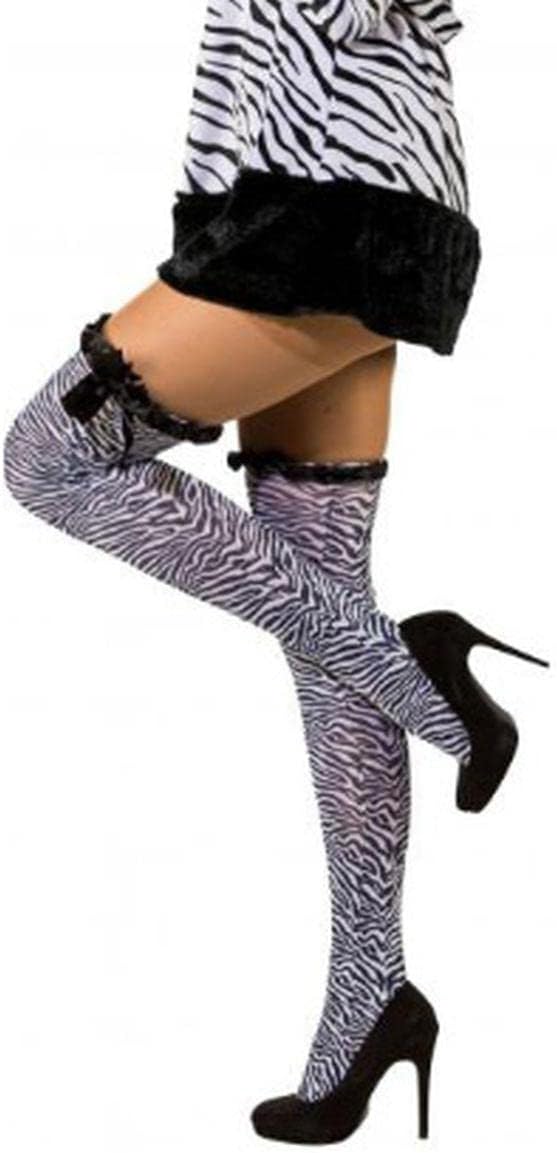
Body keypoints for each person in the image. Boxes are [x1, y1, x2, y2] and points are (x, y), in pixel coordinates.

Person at [2, 1, 549, 1144]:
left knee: (49, 458)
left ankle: (421, 680)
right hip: (309, 182)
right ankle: (371, 994)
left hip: (332, 194)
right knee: (319, 596)